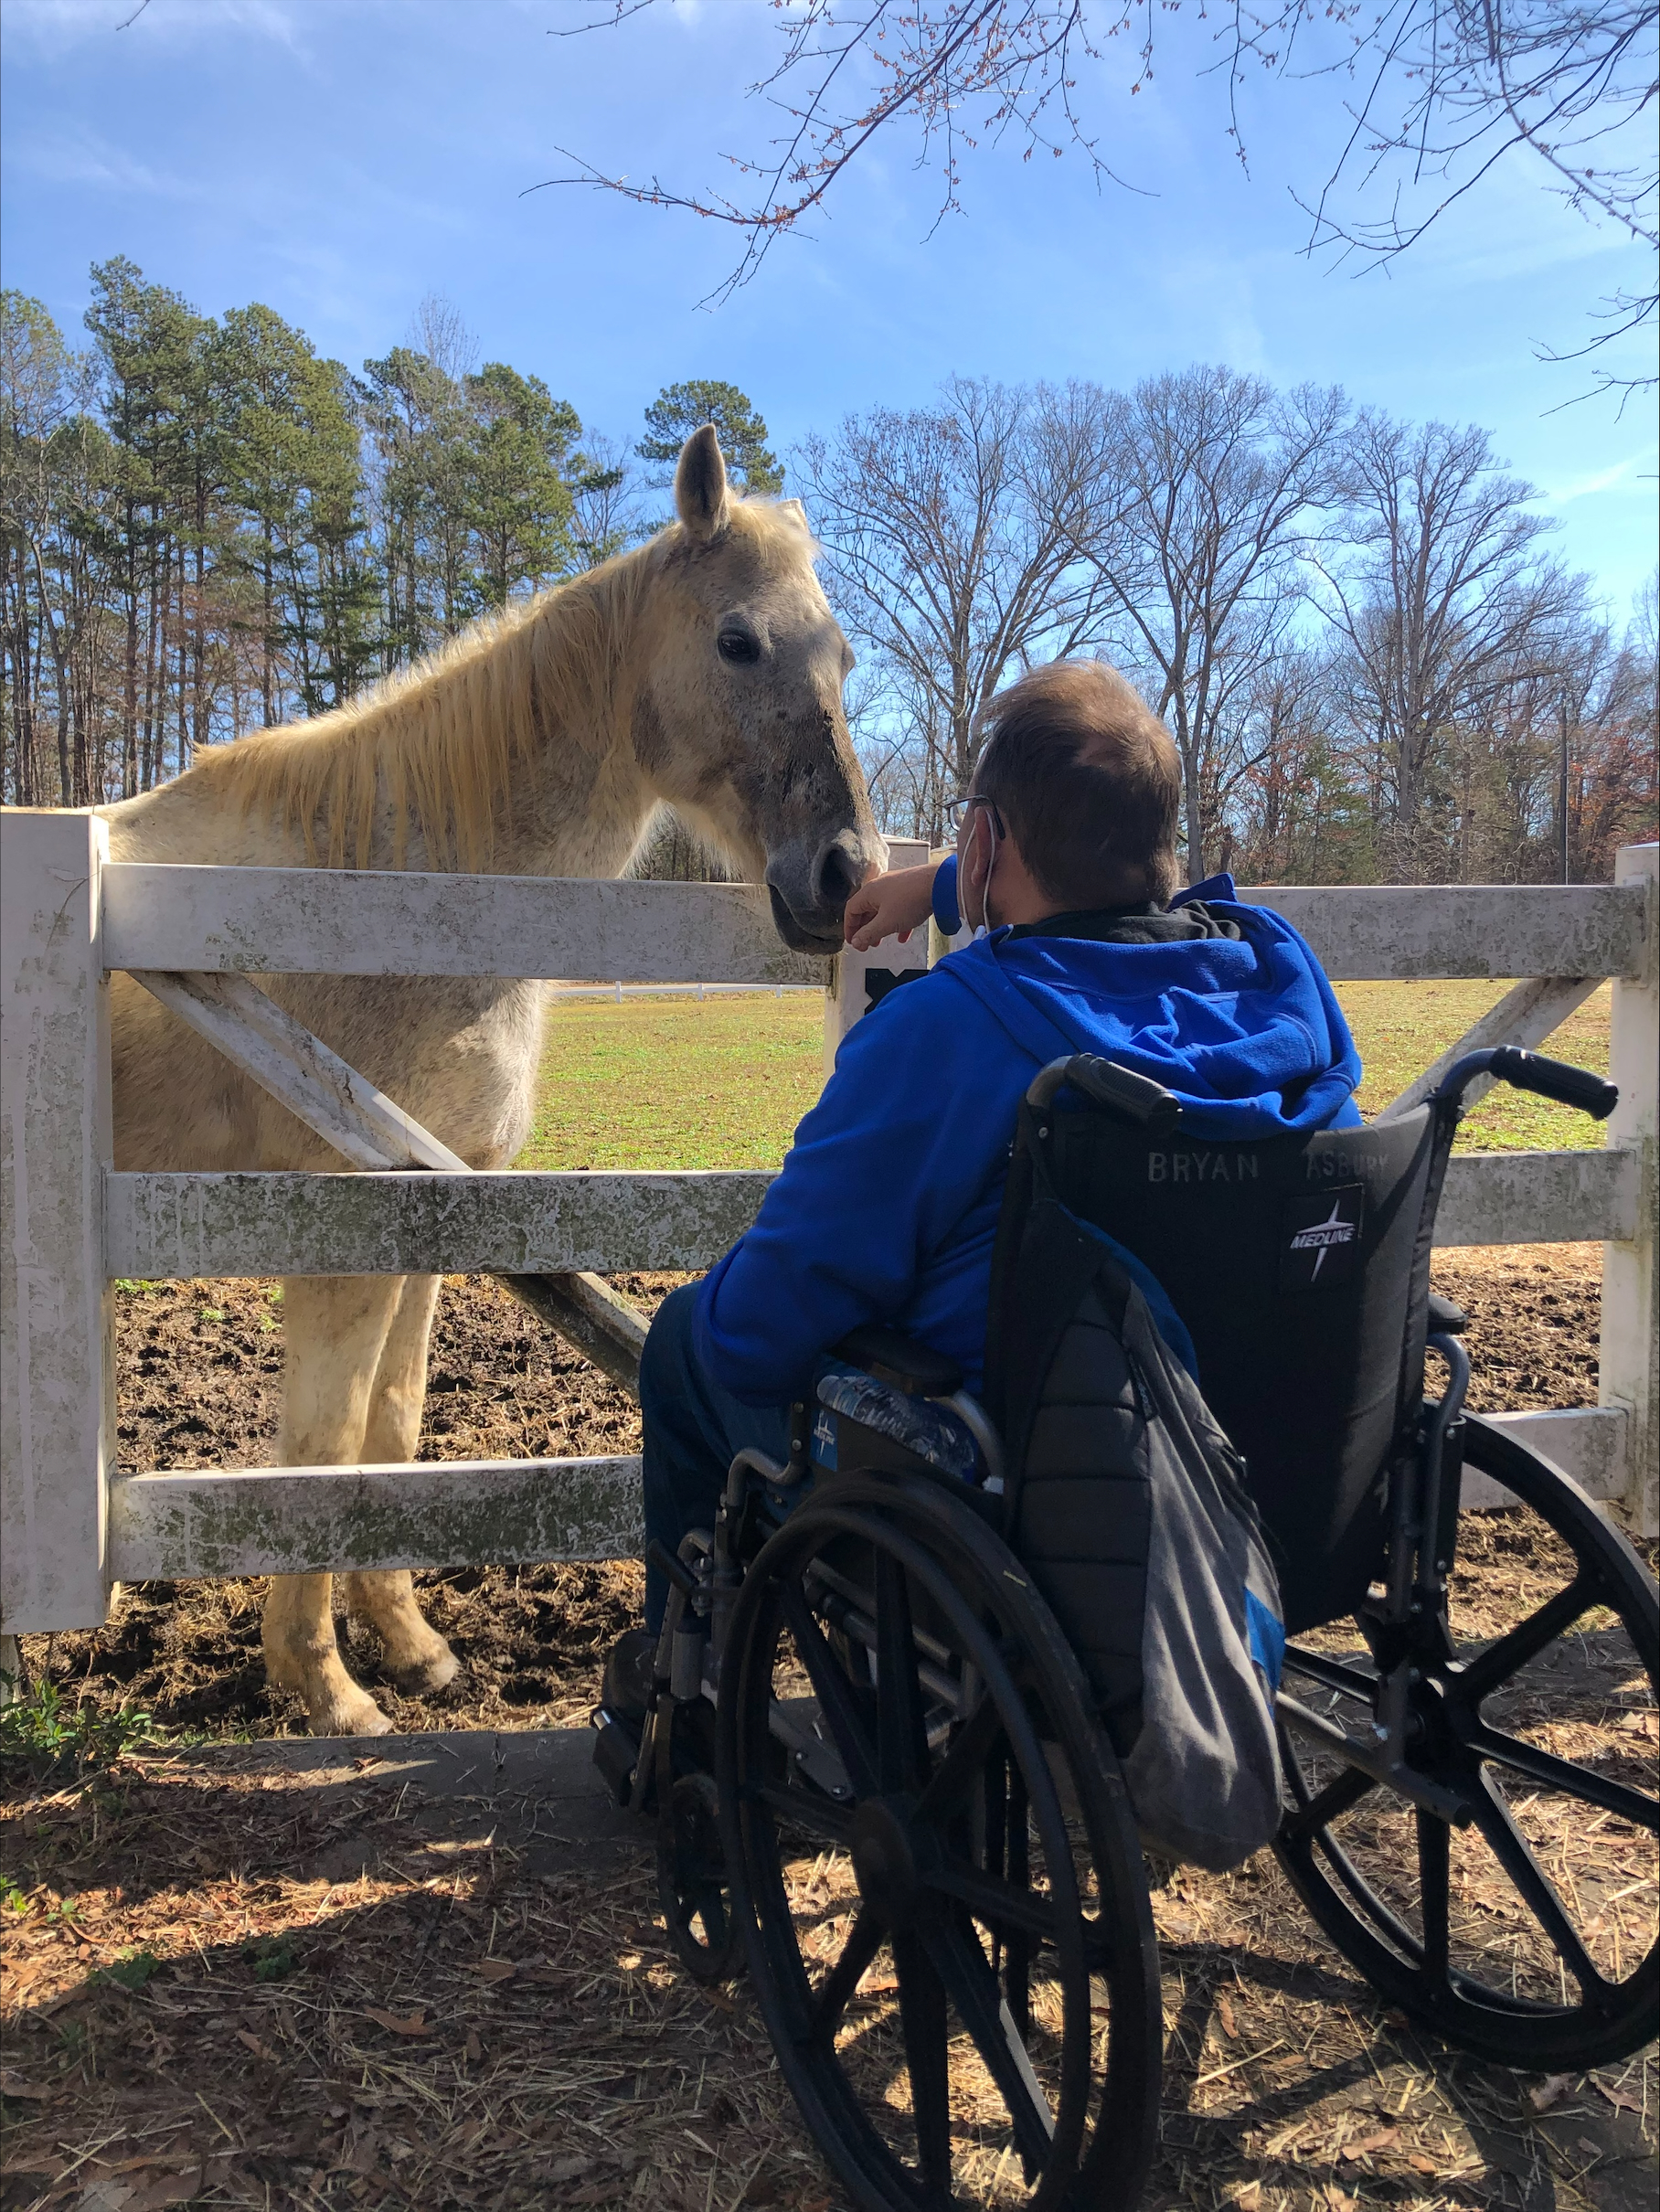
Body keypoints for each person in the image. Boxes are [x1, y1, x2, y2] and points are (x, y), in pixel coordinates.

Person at [602, 658, 1362, 1712]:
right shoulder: (1283, 991)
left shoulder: (955, 1030)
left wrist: (724, 1314)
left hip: (1025, 1499)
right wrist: (958, 879)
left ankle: (682, 1708)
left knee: (693, 1341)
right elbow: (1106, 922)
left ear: (988, 839)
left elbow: (763, 1328)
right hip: (1264, 1474)